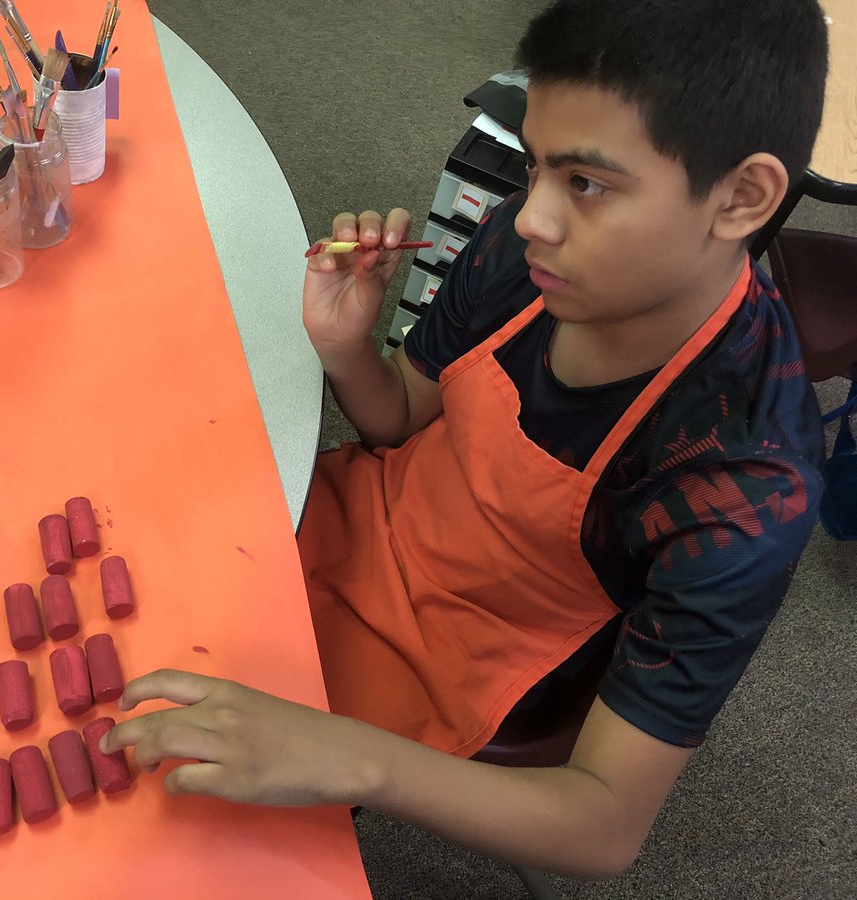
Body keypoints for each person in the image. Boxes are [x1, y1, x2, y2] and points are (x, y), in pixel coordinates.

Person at [103, 0, 829, 878]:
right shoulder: (526, 247)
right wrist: (347, 350)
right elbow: (400, 419)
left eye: (588, 183)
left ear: (742, 196)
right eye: (537, 167)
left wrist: (347, 755)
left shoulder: (742, 482)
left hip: (447, 659)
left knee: (134, 818)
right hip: (347, 519)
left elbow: (602, 826)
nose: (532, 218)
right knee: (105, 576)